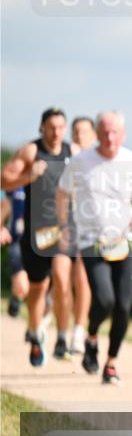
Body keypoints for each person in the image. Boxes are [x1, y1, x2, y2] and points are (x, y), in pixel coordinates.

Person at [56, 111, 132, 384]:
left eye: (115, 133)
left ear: (123, 134)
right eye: (105, 132)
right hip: (91, 241)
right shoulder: (80, 161)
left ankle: (111, 363)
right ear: (97, 133)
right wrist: (64, 226)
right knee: (105, 300)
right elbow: (62, 193)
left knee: (123, 306)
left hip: (124, 241)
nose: (110, 138)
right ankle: (92, 335)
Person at [1, 107, 79, 365]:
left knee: (61, 277)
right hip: (35, 233)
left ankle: (62, 338)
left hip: (63, 230)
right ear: (42, 128)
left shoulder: (73, 153)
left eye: (60, 127)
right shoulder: (31, 152)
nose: (56, 133)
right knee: (37, 289)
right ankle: (36, 335)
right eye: (51, 127)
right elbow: (4, 181)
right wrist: (28, 175)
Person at [68, 116, 97, 355]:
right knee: (62, 280)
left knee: (82, 276)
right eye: (76, 132)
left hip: (88, 228)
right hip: (64, 225)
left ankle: (78, 331)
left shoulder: (100, 163)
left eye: (85, 132)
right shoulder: (68, 161)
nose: (80, 136)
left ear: (94, 135)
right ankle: (58, 319)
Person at [2, 187, 29, 318]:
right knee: (22, 285)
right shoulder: (15, 184)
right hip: (16, 240)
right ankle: (15, 298)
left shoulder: (42, 183)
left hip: (37, 242)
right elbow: (4, 204)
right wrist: (1, 227)